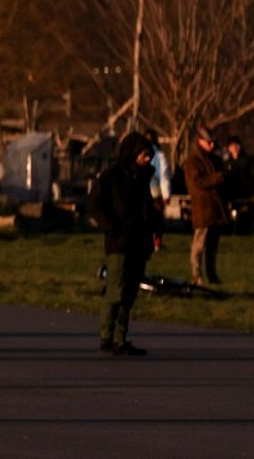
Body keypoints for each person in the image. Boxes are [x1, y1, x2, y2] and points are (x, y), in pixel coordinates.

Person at [89, 132, 161, 356]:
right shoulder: (111, 176)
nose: (147, 159)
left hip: (139, 243)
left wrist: (157, 230)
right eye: (143, 154)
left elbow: (149, 209)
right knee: (116, 292)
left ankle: (121, 338)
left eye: (149, 155)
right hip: (119, 243)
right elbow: (94, 204)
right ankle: (106, 336)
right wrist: (112, 226)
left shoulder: (143, 179)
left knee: (129, 294)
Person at [183, 126, 227, 286]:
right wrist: (220, 177)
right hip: (203, 207)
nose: (212, 145)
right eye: (209, 142)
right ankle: (196, 274)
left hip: (214, 207)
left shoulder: (213, 159)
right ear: (199, 141)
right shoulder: (193, 161)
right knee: (200, 244)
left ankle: (212, 275)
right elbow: (199, 182)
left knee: (213, 246)